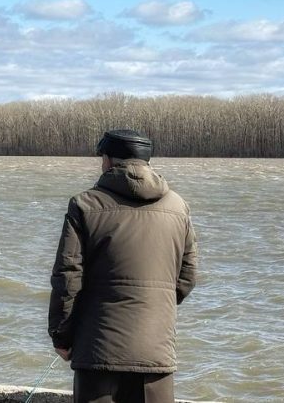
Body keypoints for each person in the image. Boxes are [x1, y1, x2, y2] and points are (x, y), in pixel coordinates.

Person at [48, 129, 199, 403]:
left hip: (97, 354)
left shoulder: (84, 204)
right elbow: (187, 277)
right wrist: (152, 306)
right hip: (156, 353)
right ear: (147, 161)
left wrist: (61, 336)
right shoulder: (179, 207)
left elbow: (68, 277)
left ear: (107, 160)